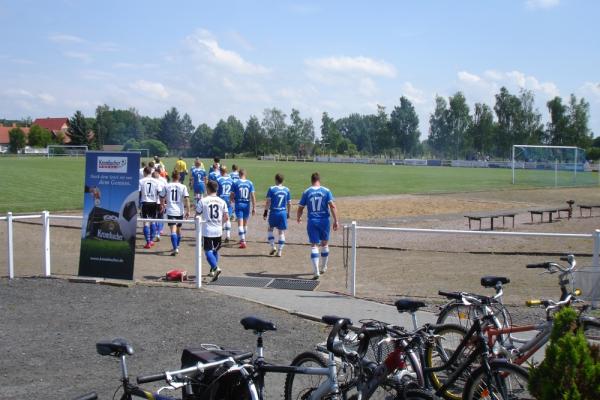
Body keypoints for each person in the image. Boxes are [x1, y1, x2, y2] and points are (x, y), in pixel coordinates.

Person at [297, 172, 339, 279]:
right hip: (324, 221)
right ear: (319, 180)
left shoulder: (306, 192)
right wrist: (336, 221)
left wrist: (299, 217)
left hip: (312, 221)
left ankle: (316, 271)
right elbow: (332, 206)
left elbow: (301, 207)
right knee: (324, 244)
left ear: (311, 180)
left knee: (314, 245)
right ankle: (323, 267)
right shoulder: (326, 191)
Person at [196, 180, 228, 281]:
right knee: (215, 250)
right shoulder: (222, 201)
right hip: (218, 230)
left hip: (207, 230)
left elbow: (197, 215)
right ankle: (212, 271)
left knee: (207, 251)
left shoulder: (203, 201)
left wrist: (197, 224)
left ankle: (215, 268)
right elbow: (226, 217)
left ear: (208, 189)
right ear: (217, 189)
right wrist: (220, 224)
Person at [160, 171, 190, 256]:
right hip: (179, 211)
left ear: (172, 177)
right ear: (179, 177)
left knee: (173, 230)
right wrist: (188, 210)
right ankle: (177, 246)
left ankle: (175, 248)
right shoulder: (183, 186)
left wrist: (162, 205)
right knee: (178, 230)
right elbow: (187, 199)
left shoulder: (166, 186)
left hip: (170, 211)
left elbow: (161, 197)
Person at [264, 173, 291, 257]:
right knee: (281, 232)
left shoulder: (272, 189)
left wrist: (265, 212)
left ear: (276, 180)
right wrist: (288, 213)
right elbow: (289, 203)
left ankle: (273, 246)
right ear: (283, 180)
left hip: (274, 212)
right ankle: (279, 251)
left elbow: (268, 202)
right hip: (282, 213)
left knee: (270, 230)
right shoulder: (287, 190)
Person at [230, 168, 255, 248]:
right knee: (245, 223)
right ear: (245, 174)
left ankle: (243, 240)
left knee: (240, 223)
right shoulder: (250, 183)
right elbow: (253, 196)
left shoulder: (236, 182)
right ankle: (243, 239)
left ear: (239, 174)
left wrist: (231, 200)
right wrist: (254, 207)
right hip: (247, 205)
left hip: (239, 204)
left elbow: (232, 195)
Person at [139, 167, 161, 249]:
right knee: (153, 221)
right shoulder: (156, 181)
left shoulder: (141, 181)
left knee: (145, 223)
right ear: (150, 172)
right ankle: (151, 240)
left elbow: (138, 192)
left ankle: (148, 242)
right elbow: (159, 192)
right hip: (154, 203)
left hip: (145, 203)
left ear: (144, 172)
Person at [216, 166, 234, 242]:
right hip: (228, 198)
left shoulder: (218, 179)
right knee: (227, 218)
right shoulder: (231, 179)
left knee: (220, 217)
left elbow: (216, 191)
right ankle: (228, 235)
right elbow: (233, 191)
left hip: (221, 199)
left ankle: (219, 235)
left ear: (220, 171)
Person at [152, 169, 167, 241]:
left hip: (152, 202)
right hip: (160, 202)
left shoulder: (150, 182)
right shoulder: (162, 182)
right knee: (160, 218)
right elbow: (163, 194)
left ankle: (155, 233)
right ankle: (158, 233)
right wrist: (164, 203)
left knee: (153, 218)